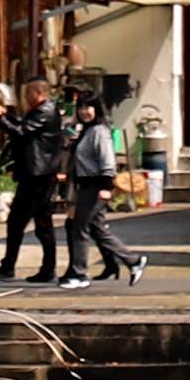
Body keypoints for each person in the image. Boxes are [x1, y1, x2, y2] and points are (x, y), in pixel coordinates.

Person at [54, 94, 135, 285]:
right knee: (96, 228)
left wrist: (107, 186)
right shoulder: (87, 130)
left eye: (88, 107)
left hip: (96, 185)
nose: (84, 112)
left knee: (79, 227)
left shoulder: (100, 131)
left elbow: (107, 160)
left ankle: (79, 273)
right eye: (81, 108)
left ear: (97, 109)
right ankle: (131, 261)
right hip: (84, 184)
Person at [0, 79, 53, 286]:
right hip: (32, 175)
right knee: (20, 222)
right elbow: (23, 127)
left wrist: (0, 118)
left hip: (38, 176)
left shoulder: (46, 111)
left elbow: (22, 132)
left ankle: (45, 268)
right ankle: (9, 266)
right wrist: (6, 116)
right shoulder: (38, 112)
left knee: (40, 225)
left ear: (39, 92)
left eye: (28, 93)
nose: (26, 98)